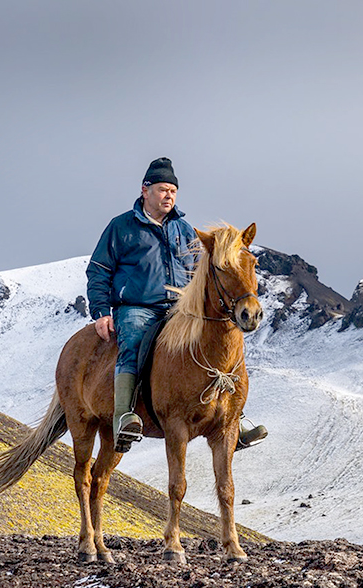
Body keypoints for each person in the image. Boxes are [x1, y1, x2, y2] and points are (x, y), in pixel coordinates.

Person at [86, 157, 267, 453]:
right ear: (145, 191)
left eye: (172, 190)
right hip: (136, 306)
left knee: (216, 345)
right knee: (132, 341)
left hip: (179, 307)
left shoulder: (185, 230)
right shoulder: (121, 227)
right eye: (162, 189)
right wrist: (101, 312)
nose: (168, 195)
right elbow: (99, 270)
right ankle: (123, 416)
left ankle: (235, 417)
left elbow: (202, 273)